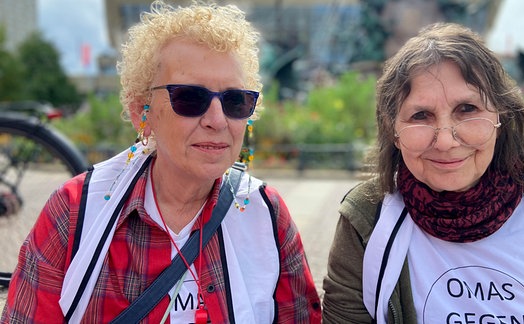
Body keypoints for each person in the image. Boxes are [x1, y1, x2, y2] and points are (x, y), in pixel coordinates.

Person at [1, 1, 321, 322]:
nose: (217, 120)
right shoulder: (73, 213)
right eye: (190, 98)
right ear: (144, 109)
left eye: (235, 100)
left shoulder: (267, 215)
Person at [322, 22, 524, 323]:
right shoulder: (367, 218)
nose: (444, 141)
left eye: (467, 109)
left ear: (502, 116)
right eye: (420, 116)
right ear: (393, 131)